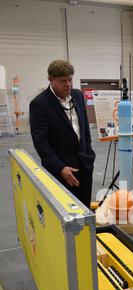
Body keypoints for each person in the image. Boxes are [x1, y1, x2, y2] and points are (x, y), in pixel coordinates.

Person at [30, 59, 95, 208]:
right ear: (50, 80)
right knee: (64, 213)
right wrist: (60, 168)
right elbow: (41, 143)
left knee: (84, 209)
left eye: (70, 79)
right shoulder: (39, 104)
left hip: (84, 165)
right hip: (59, 172)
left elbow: (84, 127)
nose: (68, 84)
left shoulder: (77, 96)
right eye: (62, 81)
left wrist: (89, 153)